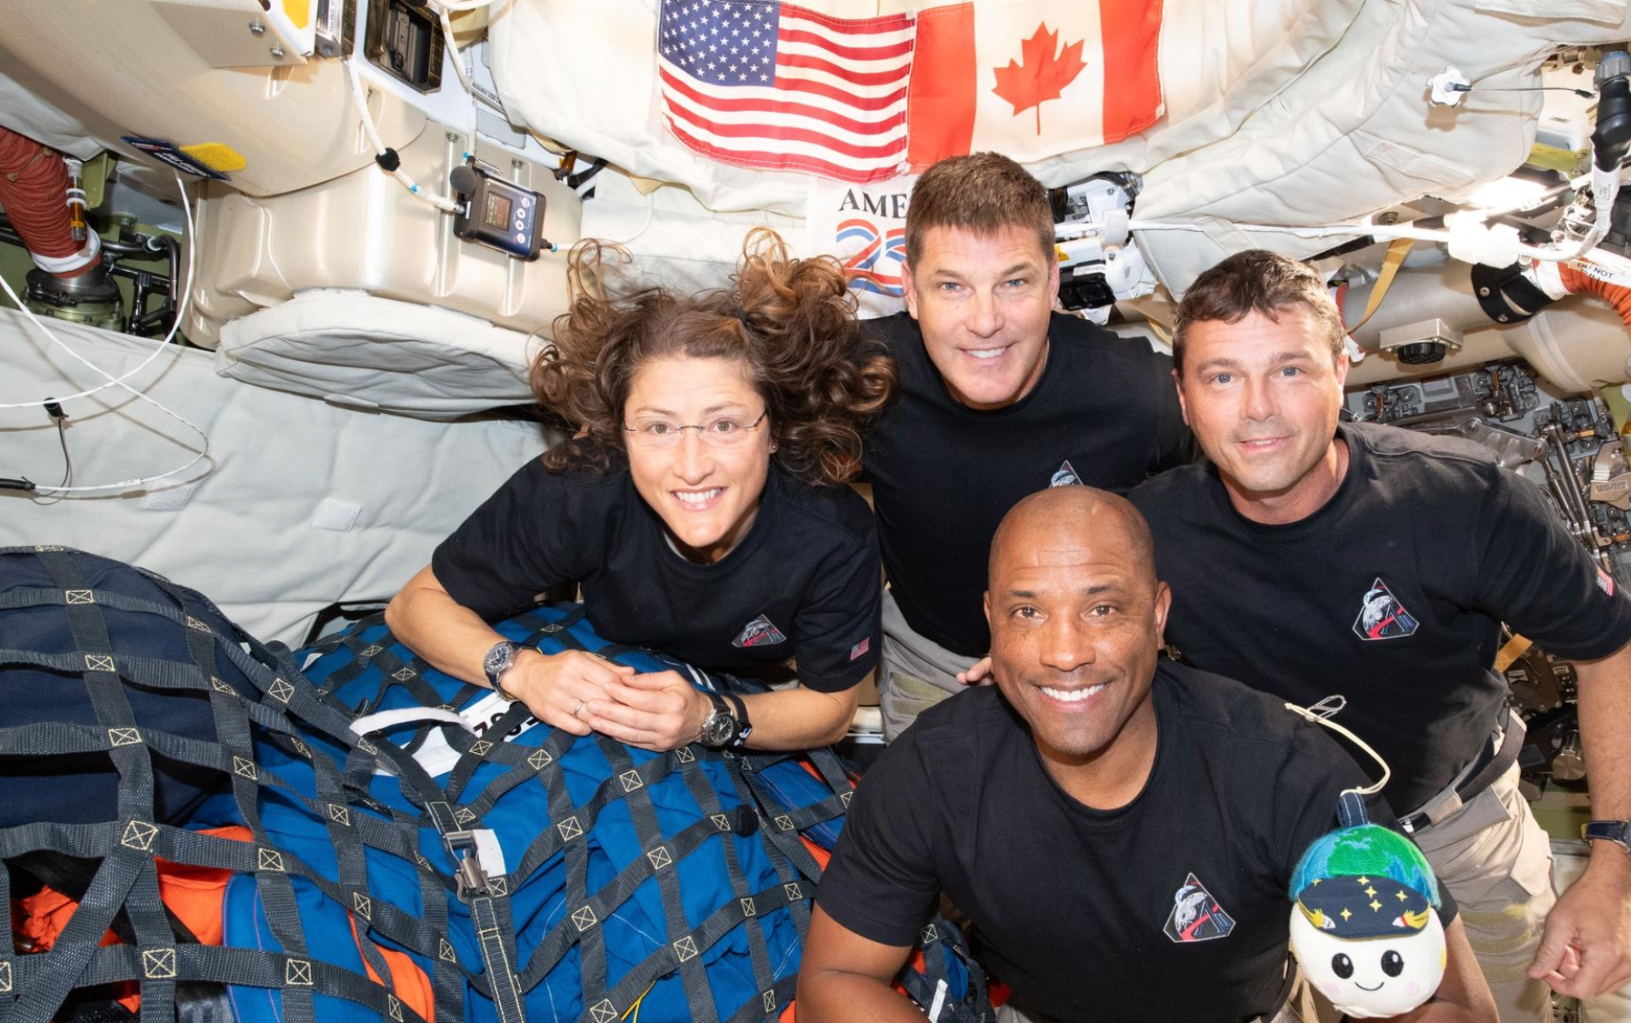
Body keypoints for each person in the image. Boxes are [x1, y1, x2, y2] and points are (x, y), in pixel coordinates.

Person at [1126, 250, 1631, 1022]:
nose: (1257, 409)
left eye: (1290, 370)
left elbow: (1615, 650)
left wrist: (1617, 868)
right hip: (1269, 848)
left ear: (1342, 370)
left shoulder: (1461, 501)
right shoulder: (1143, 534)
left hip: (1458, 831)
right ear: (1182, 396)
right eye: (1221, 377)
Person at [796, 486, 1494, 1023]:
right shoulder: (930, 773)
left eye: (1102, 609)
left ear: (1158, 616)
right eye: (1027, 611)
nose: (1065, 652)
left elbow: (1455, 1005)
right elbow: (835, 979)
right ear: (991, 622)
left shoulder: (1286, 770)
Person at [386, 229, 894, 753]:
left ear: (775, 431)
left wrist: (710, 716)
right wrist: (521, 671)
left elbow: (832, 709)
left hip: (752, 693)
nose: (691, 467)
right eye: (658, 428)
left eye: (724, 425)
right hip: (599, 661)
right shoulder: (581, 485)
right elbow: (414, 605)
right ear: (619, 433)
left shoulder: (834, 533)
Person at [861, 152, 1196, 738]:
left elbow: (1231, 503)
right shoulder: (860, 379)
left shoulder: (1136, 394)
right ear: (911, 293)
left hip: (1088, 662)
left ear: (1053, 284)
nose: (985, 321)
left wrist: (1143, 632)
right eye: (952, 286)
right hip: (933, 660)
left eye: (1013, 282)